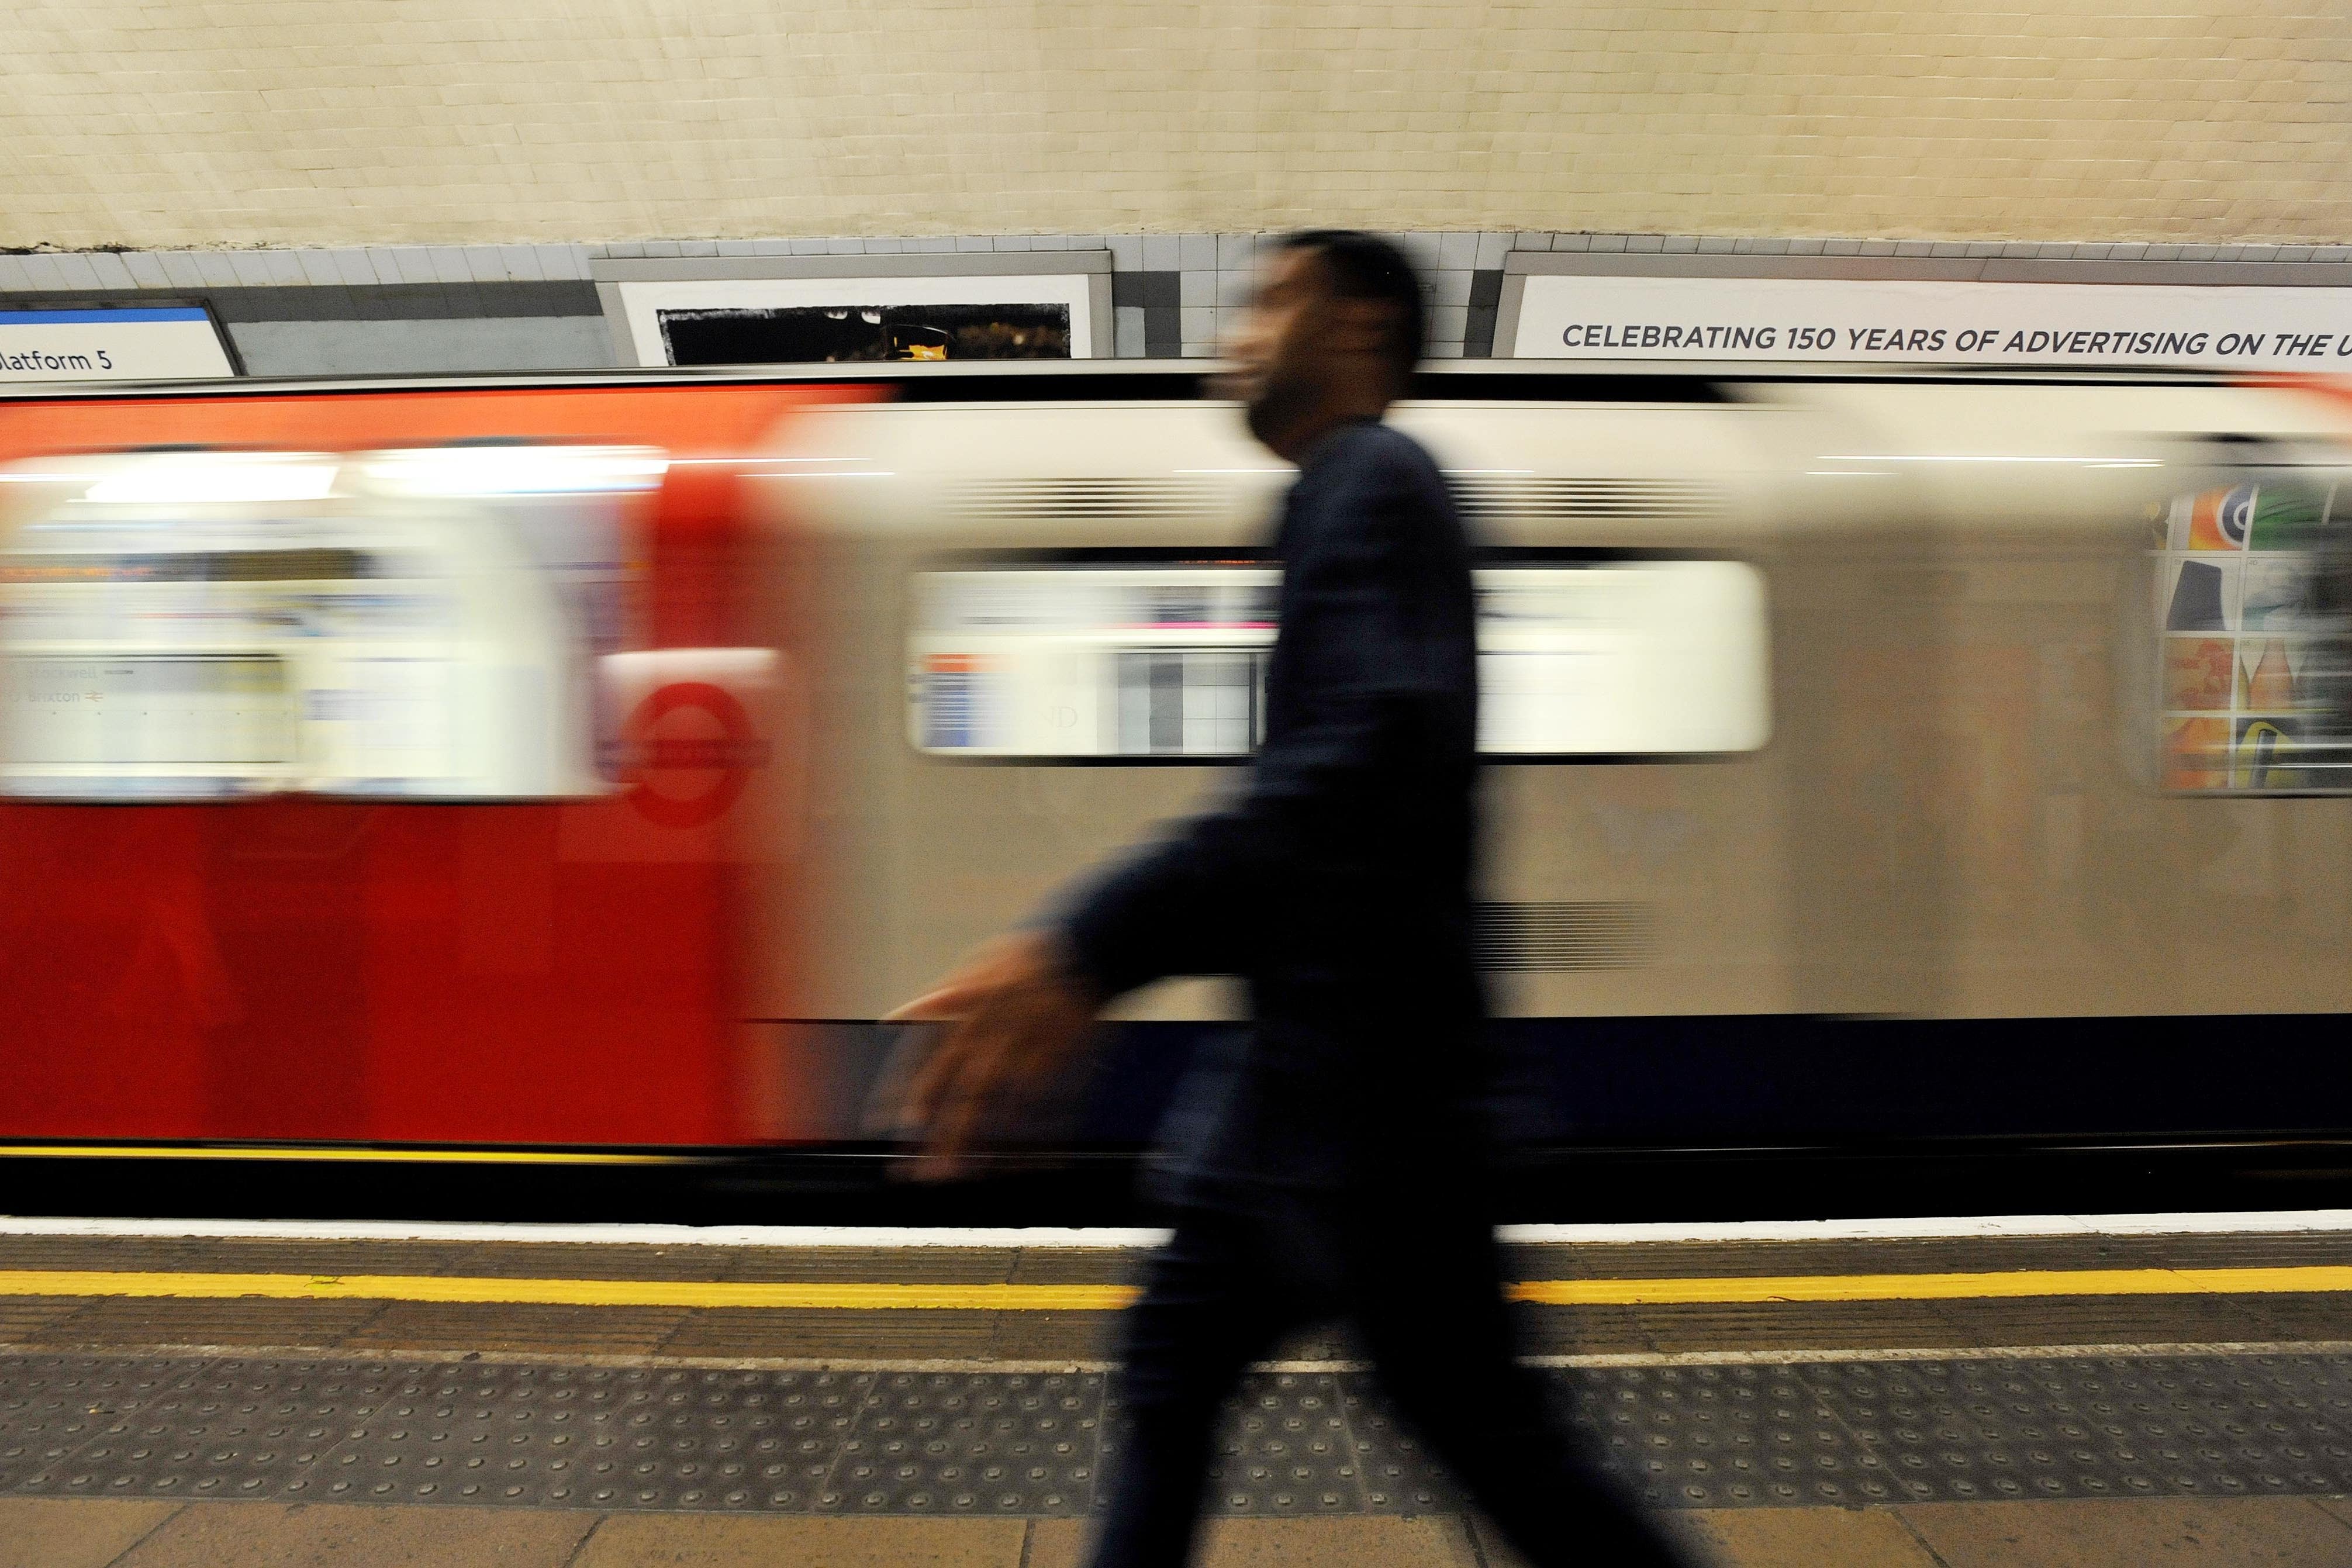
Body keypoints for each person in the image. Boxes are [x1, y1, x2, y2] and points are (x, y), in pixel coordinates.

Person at [887, 230, 1690, 1567]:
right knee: (1173, 1375)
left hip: (1369, 1113)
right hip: (1301, 1095)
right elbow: (1336, 790)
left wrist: (1085, 948)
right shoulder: (1343, 491)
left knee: (1499, 1451)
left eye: (1273, 297)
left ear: (1360, 325)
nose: (1241, 324)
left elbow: (1358, 764)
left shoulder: (1372, 474)